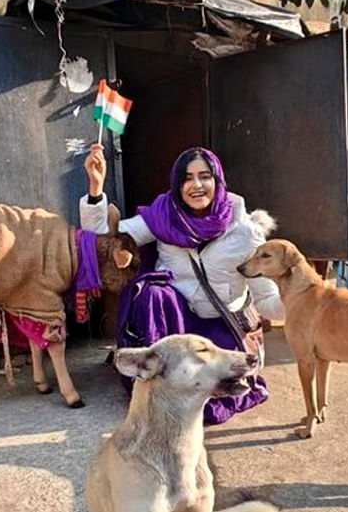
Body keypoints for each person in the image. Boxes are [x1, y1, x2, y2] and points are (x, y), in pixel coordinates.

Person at [80, 142, 284, 424]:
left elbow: (267, 298)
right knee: (153, 292)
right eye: (187, 178)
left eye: (205, 176)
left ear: (218, 180)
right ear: (177, 184)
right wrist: (95, 190)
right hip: (173, 326)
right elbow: (103, 236)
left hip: (219, 325)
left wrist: (299, 301)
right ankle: (157, 379)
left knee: (212, 404)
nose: (196, 185)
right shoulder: (164, 217)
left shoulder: (245, 233)